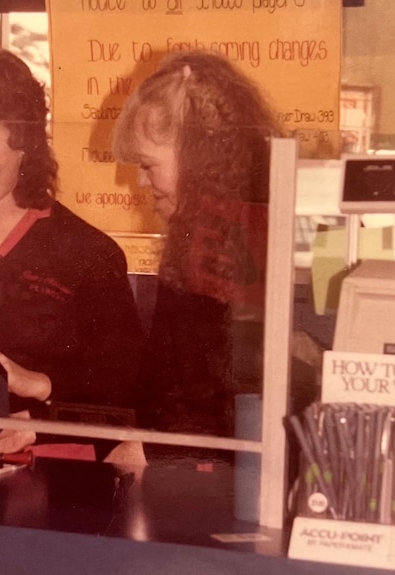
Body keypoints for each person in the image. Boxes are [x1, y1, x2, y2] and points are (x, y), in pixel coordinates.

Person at [0, 49, 144, 456]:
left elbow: (125, 394)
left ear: (26, 143)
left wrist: (40, 392)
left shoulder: (90, 252)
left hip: (52, 477)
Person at [113, 50, 280, 437]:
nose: (141, 182)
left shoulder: (216, 251)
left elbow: (207, 401)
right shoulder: (228, 233)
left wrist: (151, 451)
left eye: (148, 166)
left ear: (196, 160)